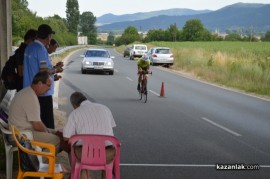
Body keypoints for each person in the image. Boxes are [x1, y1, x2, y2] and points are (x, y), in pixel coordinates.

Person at [62, 92, 116, 179]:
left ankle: (81, 176)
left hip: (85, 155)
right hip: (107, 154)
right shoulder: (105, 108)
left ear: (74, 105)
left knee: (77, 156)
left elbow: (66, 137)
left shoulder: (75, 113)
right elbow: (110, 127)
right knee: (107, 163)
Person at [23, 24, 63, 129]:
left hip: (29, 90)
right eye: (50, 36)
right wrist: (56, 70)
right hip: (42, 92)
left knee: (34, 121)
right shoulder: (41, 49)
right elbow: (43, 70)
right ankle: (47, 143)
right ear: (48, 36)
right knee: (46, 124)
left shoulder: (29, 47)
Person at [8, 71, 60, 151]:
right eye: (48, 85)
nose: (49, 88)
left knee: (57, 133)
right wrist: (47, 132)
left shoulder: (28, 92)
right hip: (20, 135)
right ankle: (38, 162)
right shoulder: (30, 97)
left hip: (21, 132)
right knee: (57, 140)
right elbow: (37, 125)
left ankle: (40, 159)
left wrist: (48, 131)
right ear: (39, 84)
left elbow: (37, 121)